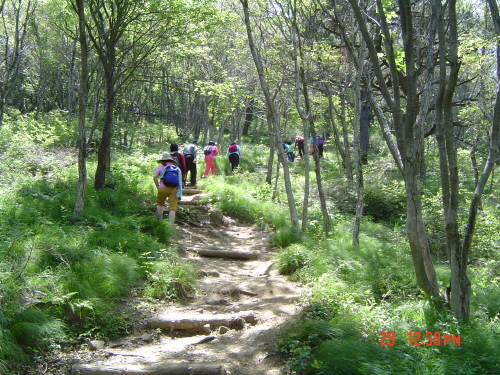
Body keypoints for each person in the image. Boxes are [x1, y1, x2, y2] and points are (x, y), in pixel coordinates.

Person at [153, 154, 182, 223]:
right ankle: (171, 225)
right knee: (172, 208)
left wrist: (158, 186)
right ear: (171, 161)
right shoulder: (177, 169)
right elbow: (180, 181)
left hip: (163, 187)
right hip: (174, 189)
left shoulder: (160, 167)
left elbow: (155, 177)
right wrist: (179, 192)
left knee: (160, 203)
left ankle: (160, 221)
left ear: (163, 161)